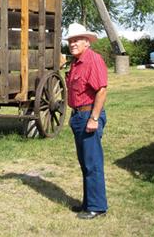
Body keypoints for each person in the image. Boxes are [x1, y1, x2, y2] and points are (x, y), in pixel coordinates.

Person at [65, 22, 108, 220]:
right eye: (70, 40)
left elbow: (101, 90)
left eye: (76, 40)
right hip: (78, 116)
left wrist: (94, 118)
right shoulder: (75, 62)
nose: (72, 43)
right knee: (85, 163)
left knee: (92, 163)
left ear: (87, 42)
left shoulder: (93, 60)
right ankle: (88, 203)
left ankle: (97, 207)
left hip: (88, 115)